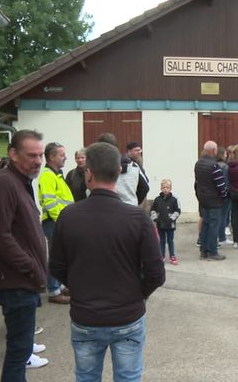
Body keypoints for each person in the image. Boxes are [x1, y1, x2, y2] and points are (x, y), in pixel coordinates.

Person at [50, 142, 165, 381]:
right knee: (128, 378)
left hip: (86, 318)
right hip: (128, 316)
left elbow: (57, 268)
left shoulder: (68, 216)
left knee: (87, 377)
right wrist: (136, 294)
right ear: (118, 172)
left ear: (88, 173)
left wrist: (80, 288)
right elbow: (156, 274)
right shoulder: (137, 218)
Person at [0, 130, 48, 381]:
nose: (38, 161)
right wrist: (31, 266)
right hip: (15, 282)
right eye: (32, 155)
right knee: (19, 352)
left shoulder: (19, 181)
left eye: (41, 155)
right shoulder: (3, 183)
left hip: (23, 280)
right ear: (12, 154)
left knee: (21, 349)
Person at [38, 142, 73, 305]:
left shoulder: (56, 174)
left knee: (60, 255)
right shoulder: (47, 175)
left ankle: (58, 286)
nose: (65, 157)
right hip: (54, 222)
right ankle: (53, 291)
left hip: (58, 221)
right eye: (61, 154)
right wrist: (61, 221)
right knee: (55, 257)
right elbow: (49, 202)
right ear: (51, 157)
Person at [195, 140, 228, 261]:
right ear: (214, 151)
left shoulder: (198, 163)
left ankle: (203, 251)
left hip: (203, 199)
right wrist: (224, 197)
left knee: (205, 225)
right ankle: (213, 252)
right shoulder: (214, 166)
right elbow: (221, 185)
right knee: (214, 226)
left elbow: (197, 182)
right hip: (214, 200)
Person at [96, 133, 149, 205]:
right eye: (136, 150)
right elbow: (145, 187)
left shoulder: (98, 166)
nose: (139, 153)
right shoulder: (134, 166)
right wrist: (133, 201)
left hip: (107, 207)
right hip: (130, 208)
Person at [150, 179, 181, 264]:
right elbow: (152, 210)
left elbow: (177, 211)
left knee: (170, 240)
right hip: (160, 224)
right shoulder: (157, 200)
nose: (165, 189)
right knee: (162, 241)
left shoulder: (174, 200)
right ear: (161, 188)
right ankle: (161, 256)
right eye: (163, 187)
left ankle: (172, 256)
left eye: (167, 187)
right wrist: (155, 219)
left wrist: (172, 219)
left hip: (170, 225)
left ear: (170, 188)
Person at [216, 146, 233, 246]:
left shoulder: (214, 165)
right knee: (223, 216)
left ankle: (218, 236)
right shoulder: (225, 166)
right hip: (224, 195)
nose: (226, 155)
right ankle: (222, 237)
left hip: (216, 195)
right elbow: (226, 182)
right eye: (225, 153)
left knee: (218, 216)